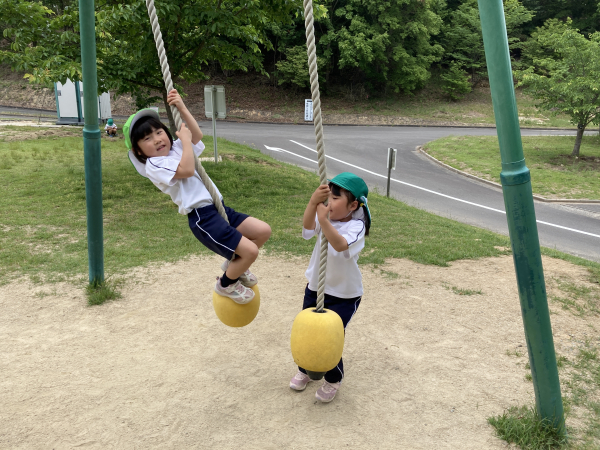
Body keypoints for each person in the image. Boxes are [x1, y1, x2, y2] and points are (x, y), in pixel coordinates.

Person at [123, 89, 271, 304]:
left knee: (262, 231)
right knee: (249, 252)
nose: (156, 139)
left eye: (158, 132)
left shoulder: (175, 149)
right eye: (147, 138)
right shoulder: (154, 165)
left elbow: (197, 136)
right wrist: (184, 141)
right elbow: (187, 169)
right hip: (203, 218)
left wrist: (181, 107)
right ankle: (226, 284)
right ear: (138, 152)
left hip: (218, 206)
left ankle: (234, 267)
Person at [290, 172, 371, 402]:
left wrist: (324, 220)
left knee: (330, 335)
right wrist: (312, 202)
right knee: (308, 330)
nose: (330, 203)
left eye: (336, 198)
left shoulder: (356, 227)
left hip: (345, 295)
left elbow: (339, 245)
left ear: (353, 204)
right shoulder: (324, 214)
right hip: (316, 287)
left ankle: (333, 379)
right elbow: (307, 229)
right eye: (328, 198)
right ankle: (305, 369)